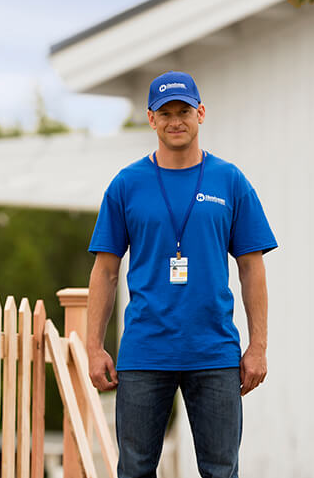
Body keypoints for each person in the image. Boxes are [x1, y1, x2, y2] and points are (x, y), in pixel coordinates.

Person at [86, 70, 277, 478]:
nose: (176, 121)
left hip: (214, 352)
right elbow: (105, 271)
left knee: (221, 471)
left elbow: (251, 267)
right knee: (135, 470)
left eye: (184, 111)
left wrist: (258, 346)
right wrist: (93, 347)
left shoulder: (230, 181)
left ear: (201, 113)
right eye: (166, 113)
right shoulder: (126, 185)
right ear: (151, 119)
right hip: (144, 352)